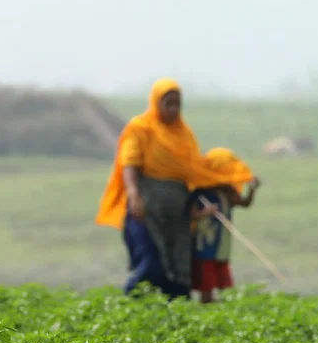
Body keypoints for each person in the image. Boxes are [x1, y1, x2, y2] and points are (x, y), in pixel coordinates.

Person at [96, 79, 254, 298]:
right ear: (155, 102)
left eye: (177, 104)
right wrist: (134, 195)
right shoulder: (141, 128)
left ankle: (174, 323)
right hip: (146, 211)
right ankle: (125, 309)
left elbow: (196, 171)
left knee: (179, 276)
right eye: (167, 103)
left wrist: (229, 176)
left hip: (178, 217)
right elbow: (129, 163)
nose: (173, 109)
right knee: (150, 267)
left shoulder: (184, 135)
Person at [190, 150, 261, 304]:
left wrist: (252, 190)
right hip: (204, 245)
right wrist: (205, 213)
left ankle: (225, 313)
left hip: (222, 245)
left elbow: (244, 203)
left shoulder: (228, 191)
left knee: (225, 286)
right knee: (206, 285)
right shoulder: (200, 191)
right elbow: (190, 214)